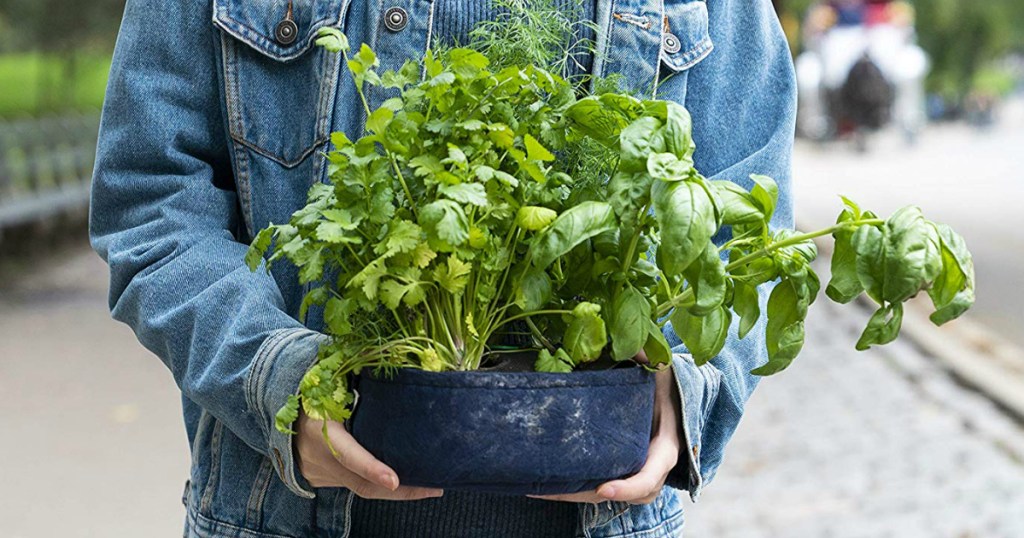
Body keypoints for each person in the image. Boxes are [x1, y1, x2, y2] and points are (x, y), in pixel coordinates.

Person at [89, 0, 795, 536]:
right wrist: (276, 377)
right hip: (282, 515)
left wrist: (685, 391)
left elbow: (747, 227)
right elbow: (150, 197)